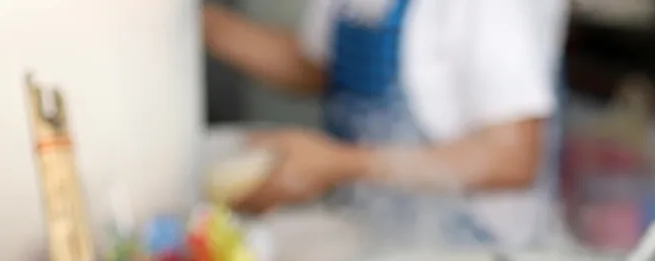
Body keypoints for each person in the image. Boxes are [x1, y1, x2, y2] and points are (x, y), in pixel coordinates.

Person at [202, 0, 569, 247]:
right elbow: (314, 66)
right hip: (369, 226)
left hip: (474, 250)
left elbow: (514, 158)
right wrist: (199, 21)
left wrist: (335, 163)